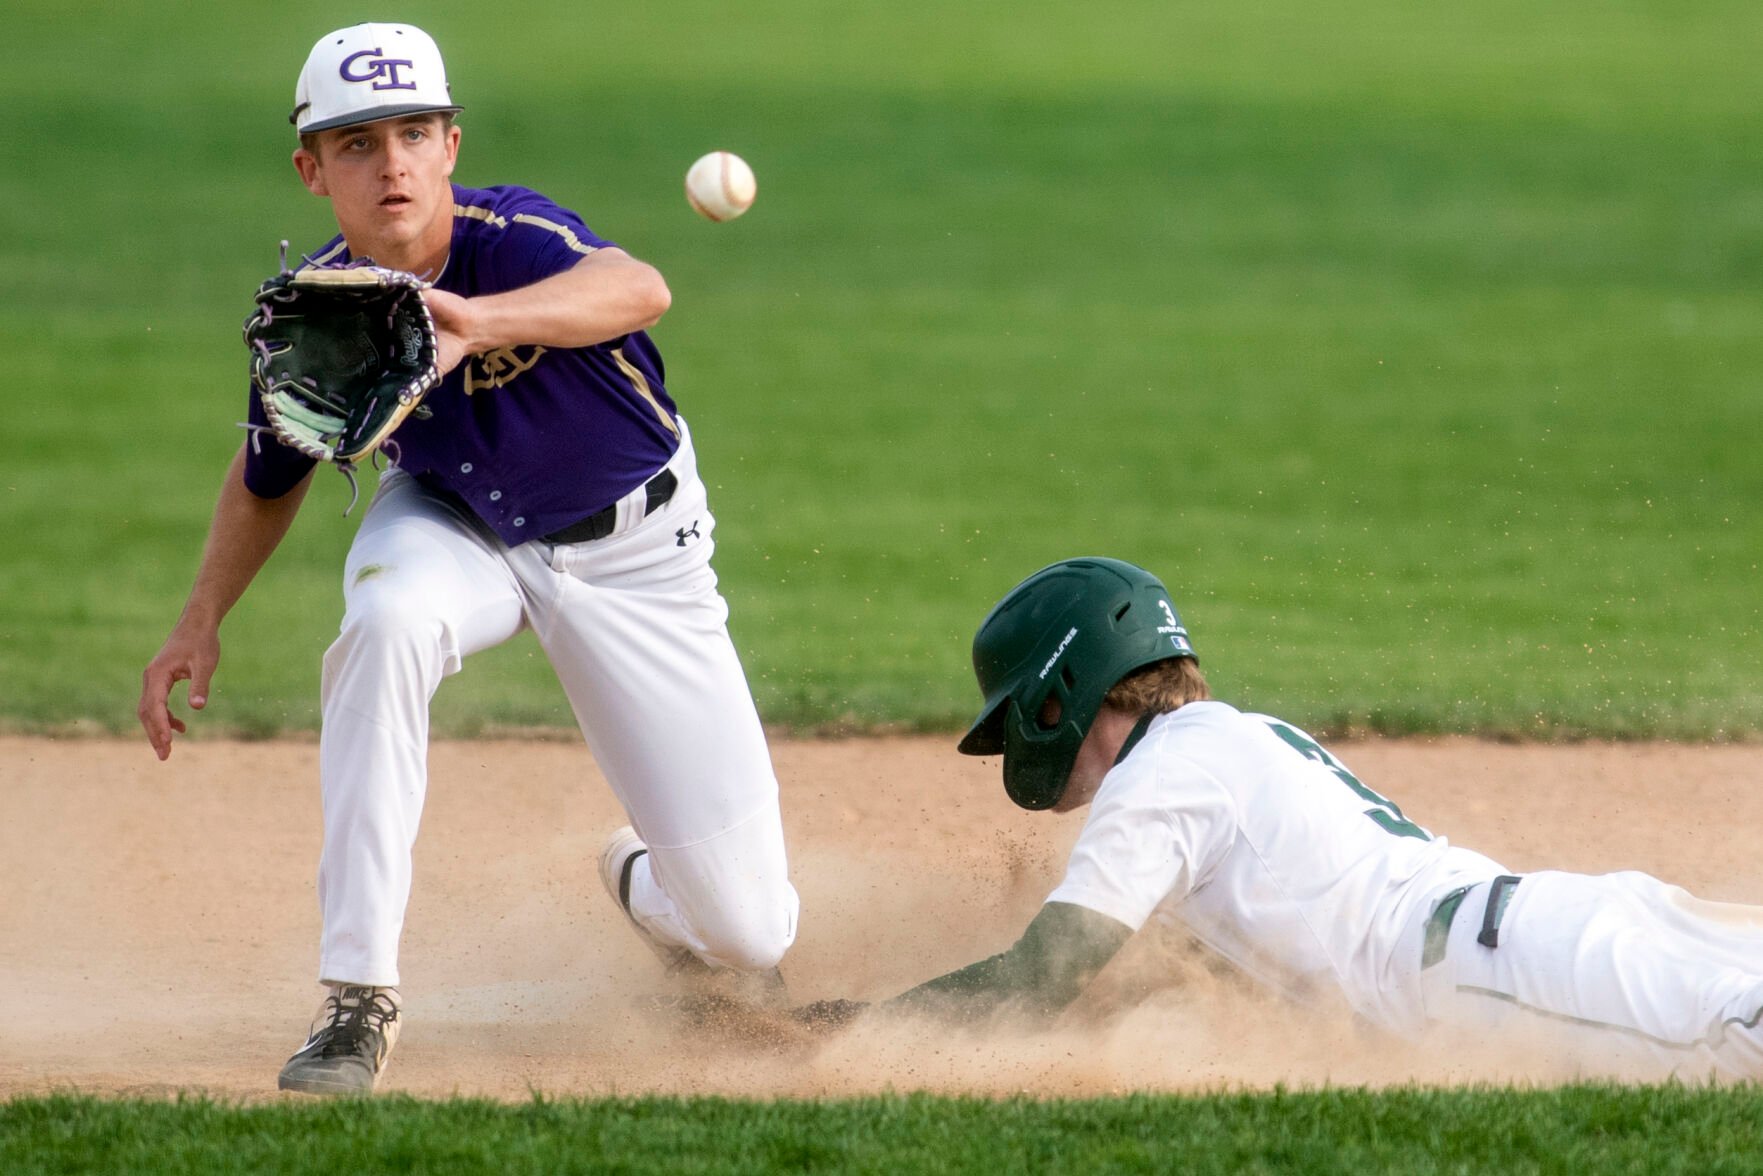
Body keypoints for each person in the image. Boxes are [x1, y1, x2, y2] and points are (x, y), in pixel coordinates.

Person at [136, 22, 798, 1095]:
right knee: (386, 621)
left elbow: (638, 289)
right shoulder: (322, 313)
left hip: (637, 555)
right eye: (355, 144)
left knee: (754, 936)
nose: (389, 163)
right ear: (311, 170)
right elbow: (271, 469)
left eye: (411, 133)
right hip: (457, 529)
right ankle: (357, 1000)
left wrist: (473, 324)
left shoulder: (512, 234)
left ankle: (645, 882)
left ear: (451, 144)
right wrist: (196, 620)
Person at [851, 556, 1763, 1080]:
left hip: (1508, 977)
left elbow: (1042, 976)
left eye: (1022, 713)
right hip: (1550, 927)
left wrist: (854, 1028)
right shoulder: (1228, 738)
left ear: (1059, 696)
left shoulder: (1159, 782)